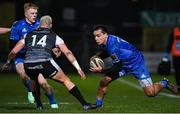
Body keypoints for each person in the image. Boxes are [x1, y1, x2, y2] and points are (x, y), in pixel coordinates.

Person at [2, 15, 96, 110]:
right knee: (66, 80)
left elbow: (14, 51)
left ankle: (39, 106)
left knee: (34, 81)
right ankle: (85, 104)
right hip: (45, 63)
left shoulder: (28, 35)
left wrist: (8, 62)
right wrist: (78, 68)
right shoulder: (54, 35)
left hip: (28, 64)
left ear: (39, 24)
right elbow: (68, 53)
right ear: (50, 25)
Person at [90, 25, 178, 108]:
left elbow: (117, 67)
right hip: (124, 63)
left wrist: (101, 70)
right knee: (104, 81)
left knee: (151, 93)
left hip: (136, 64)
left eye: (98, 36)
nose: (96, 38)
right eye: (94, 36)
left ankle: (164, 83)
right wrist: (98, 57)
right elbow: (108, 52)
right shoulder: (107, 41)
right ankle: (98, 105)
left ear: (105, 34)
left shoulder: (113, 45)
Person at [8, 3, 58, 108]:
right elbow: (13, 46)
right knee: (23, 74)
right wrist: (9, 61)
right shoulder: (17, 26)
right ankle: (31, 92)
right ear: (25, 14)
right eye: (32, 13)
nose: (34, 15)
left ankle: (53, 101)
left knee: (43, 83)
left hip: (37, 56)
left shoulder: (41, 23)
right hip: (21, 56)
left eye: (36, 13)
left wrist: (54, 47)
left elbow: (50, 38)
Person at [163, 27, 180, 92]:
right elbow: (170, 42)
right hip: (176, 55)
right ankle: (178, 85)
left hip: (176, 55)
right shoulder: (174, 30)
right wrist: (166, 54)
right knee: (177, 71)